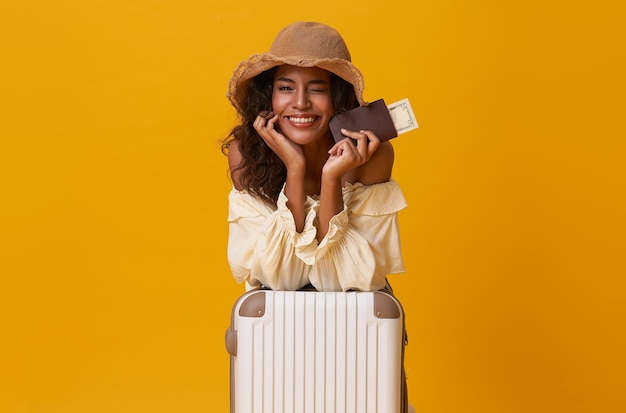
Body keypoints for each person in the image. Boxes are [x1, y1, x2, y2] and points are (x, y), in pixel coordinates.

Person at [222, 21, 407, 293]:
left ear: (337, 96)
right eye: (286, 88)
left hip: (353, 325)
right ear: (269, 96)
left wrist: (330, 178)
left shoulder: (372, 157)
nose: (300, 102)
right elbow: (278, 279)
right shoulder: (246, 155)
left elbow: (343, 281)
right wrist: (294, 168)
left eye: (317, 88)